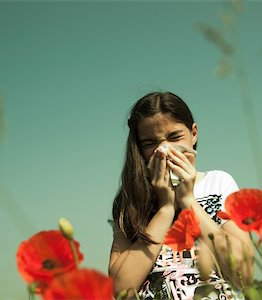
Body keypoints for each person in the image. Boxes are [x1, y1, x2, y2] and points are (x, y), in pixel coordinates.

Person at [108, 91, 254, 299]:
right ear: (139, 149)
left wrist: (188, 201)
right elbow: (121, 288)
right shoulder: (130, 201)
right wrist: (165, 208)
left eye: (175, 137)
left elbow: (243, 274)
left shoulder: (218, 183)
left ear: (194, 134)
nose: (164, 150)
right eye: (150, 144)